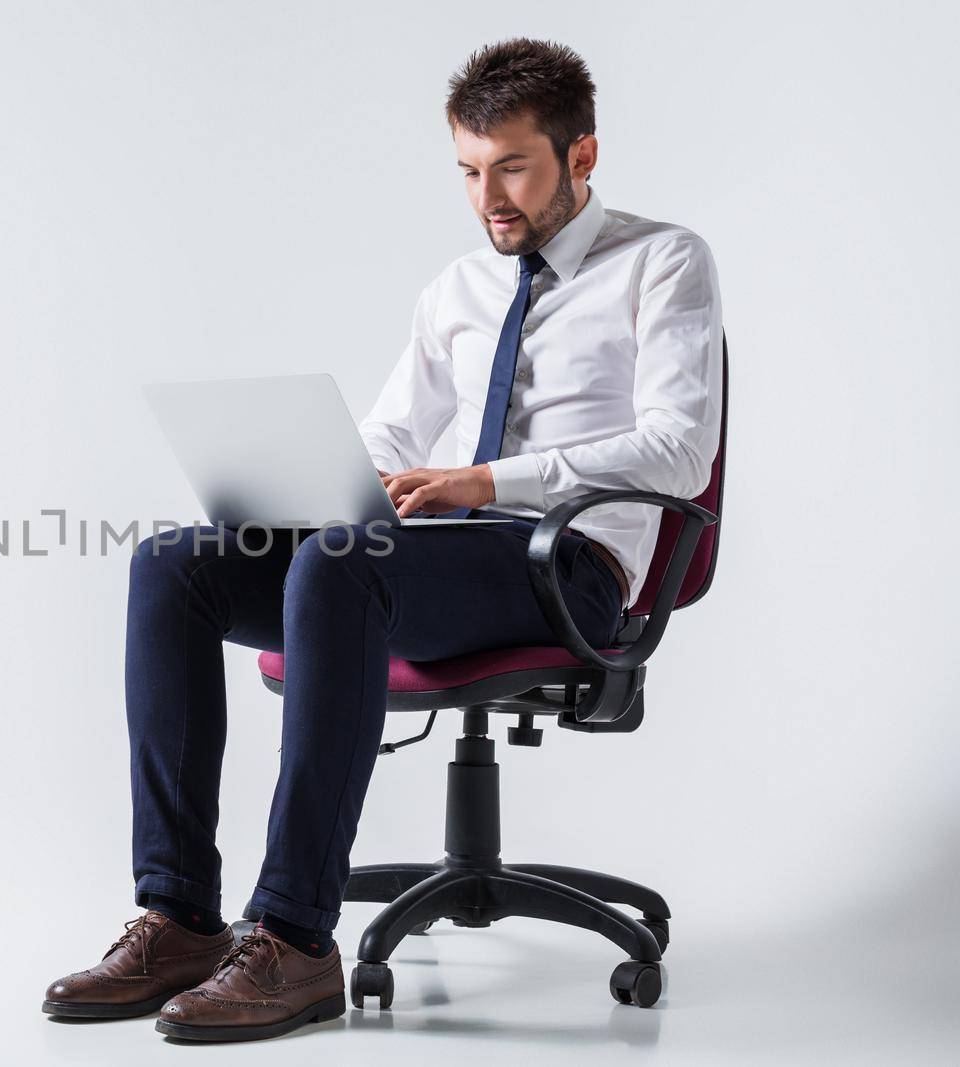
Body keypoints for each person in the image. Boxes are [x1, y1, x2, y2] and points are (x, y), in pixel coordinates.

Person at [42, 36, 723, 1043]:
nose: (488, 196)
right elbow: (395, 435)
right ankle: (179, 916)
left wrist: (486, 481)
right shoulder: (457, 287)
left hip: (564, 566)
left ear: (581, 157)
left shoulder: (661, 262)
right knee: (174, 563)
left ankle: (293, 937)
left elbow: (677, 449)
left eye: (512, 168)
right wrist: (311, 483)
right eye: (467, 171)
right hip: (432, 559)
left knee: (336, 566)